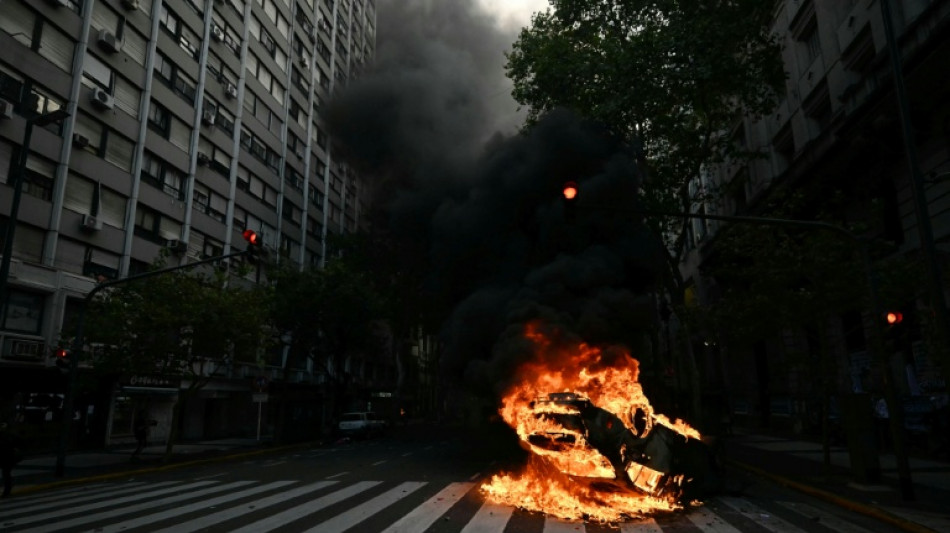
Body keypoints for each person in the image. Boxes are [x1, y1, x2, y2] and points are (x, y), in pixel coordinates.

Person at [0, 422, 23, 498]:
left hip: (8, 456)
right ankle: (8, 488)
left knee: (6, 473)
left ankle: (7, 489)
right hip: (7, 456)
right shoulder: (10, 435)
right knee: (6, 473)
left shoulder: (9, 435)